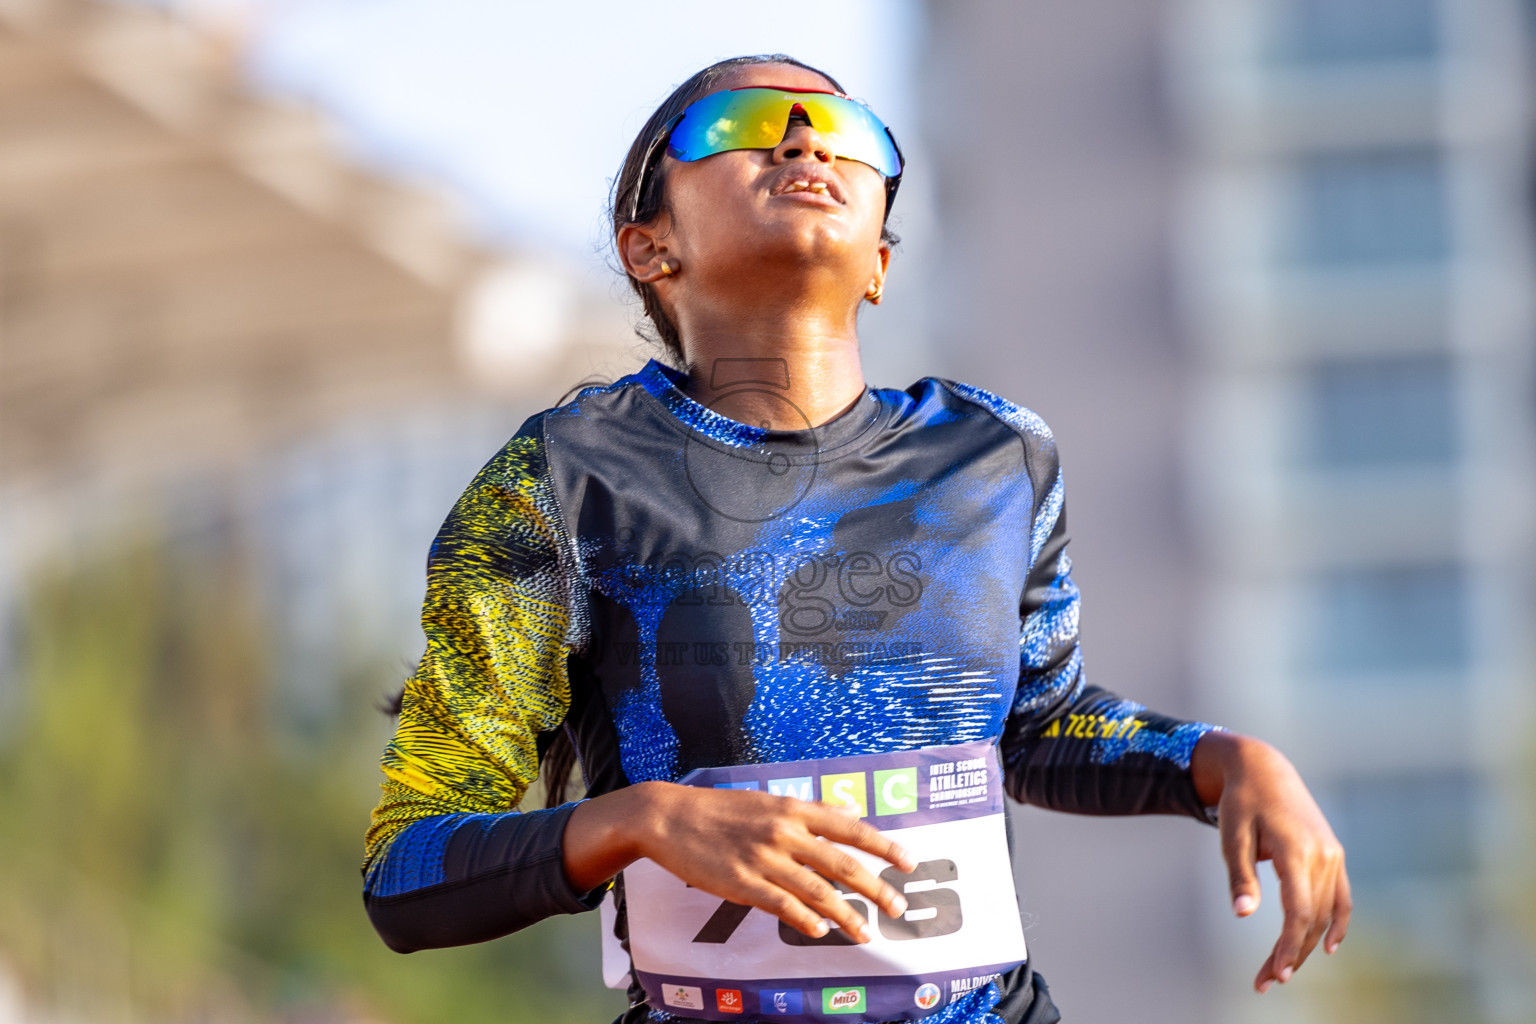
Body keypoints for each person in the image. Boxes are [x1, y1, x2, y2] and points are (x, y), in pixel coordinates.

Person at [361, 54, 1350, 1024]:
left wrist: (1222, 760)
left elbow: (1040, 725)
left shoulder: (994, 456)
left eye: (848, 134)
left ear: (880, 259)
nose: (803, 140)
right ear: (649, 246)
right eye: (741, 126)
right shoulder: (563, 478)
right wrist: (644, 823)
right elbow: (408, 866)